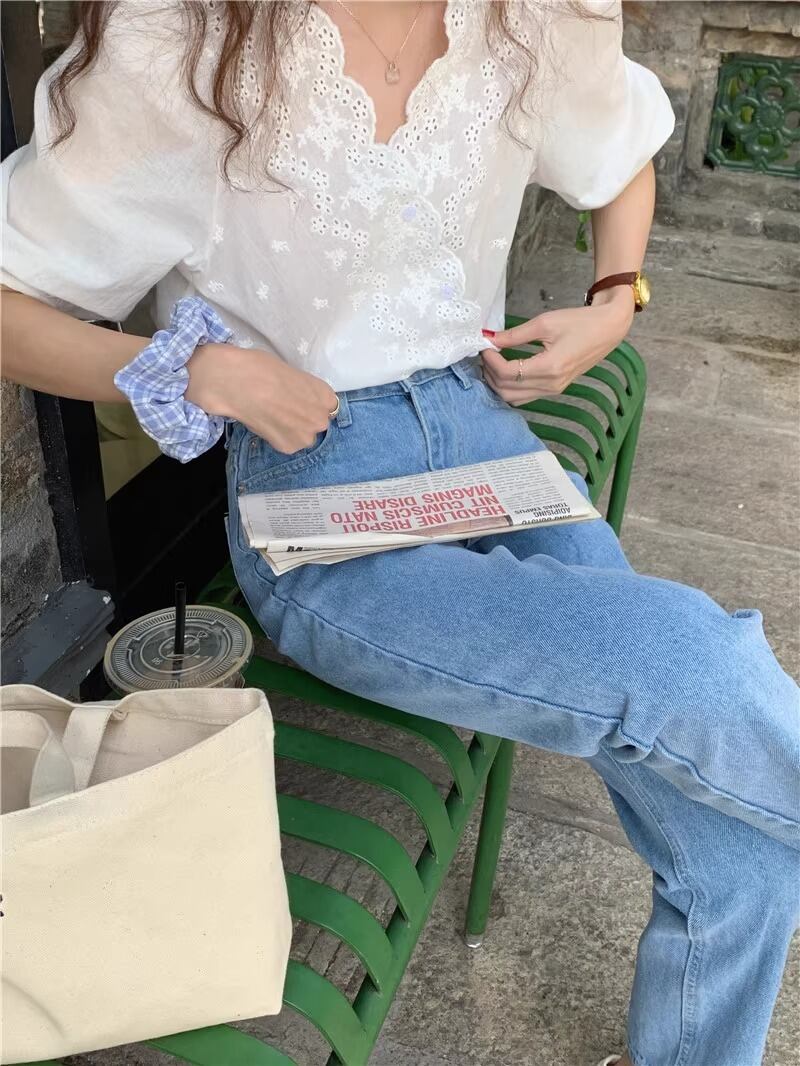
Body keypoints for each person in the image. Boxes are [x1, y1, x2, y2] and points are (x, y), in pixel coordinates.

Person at [2, 3, 798, 1063]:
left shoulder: (527, 15)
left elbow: (619, 156)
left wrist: (614, 301)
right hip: (318, 491)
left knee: (743, 847)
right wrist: (194, 370)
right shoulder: (183, 39)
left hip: (486, 434)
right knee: (694, 662)